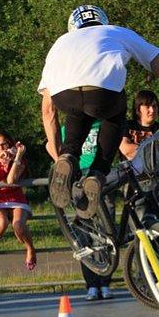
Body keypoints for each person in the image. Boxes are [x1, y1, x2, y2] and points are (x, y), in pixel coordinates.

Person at [39, 4, 159, 219]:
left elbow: (48, 111)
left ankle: (68, 155)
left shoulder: (59, 43)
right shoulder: (116, 31)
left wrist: (58, 156)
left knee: (77, 113)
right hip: (103, 95)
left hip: (64, 96)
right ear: (102, 21)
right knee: (114, 111)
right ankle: (98, 171)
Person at [47, 120, 114, 301]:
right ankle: (91, 284)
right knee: (84, 235)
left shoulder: (104, 124)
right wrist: (62, 166)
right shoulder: (70, 127)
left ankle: (105, 282)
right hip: (80, 179)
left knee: (106, 234)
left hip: (100, 179)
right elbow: (50, 144)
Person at [0, 132, 36, 273]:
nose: (1, 148)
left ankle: (30, 249)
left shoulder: (20, 160)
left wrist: (17, 156)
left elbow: (11, 180)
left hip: (17, 199)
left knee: (18, 225)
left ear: (9, 144)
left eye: (3, 144)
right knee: (1, 223)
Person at [119, 90, 159, 223]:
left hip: (158, 182)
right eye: (147, 106)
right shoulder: (127, 126)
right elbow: (125, 149)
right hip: (133, 182)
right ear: (138, 109)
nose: (152, 110)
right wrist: (152, 151)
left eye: (155, 106)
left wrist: (138, 152)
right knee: (139, 225)